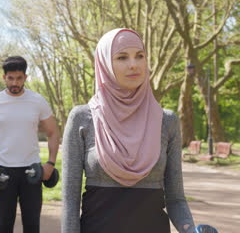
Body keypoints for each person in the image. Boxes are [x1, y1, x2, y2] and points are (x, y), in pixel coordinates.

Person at [61, 28, 195, 233]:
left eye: (139, 56)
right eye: (122, 57)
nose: (134, 64)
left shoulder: (167, 121)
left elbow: (176, 199)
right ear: (105, 63)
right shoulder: (82, 118)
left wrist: (190, 230)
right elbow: (70, 199)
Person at [0, 56, 60, 233]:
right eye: (11, 78)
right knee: (4, 227)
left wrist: (50, 163)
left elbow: (53, 132)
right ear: (4, 77)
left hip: (32, 172)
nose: (15, 82)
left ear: (25, 77)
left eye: (19, 78)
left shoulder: (37, 101)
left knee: (32, 226)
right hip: (4, 172)